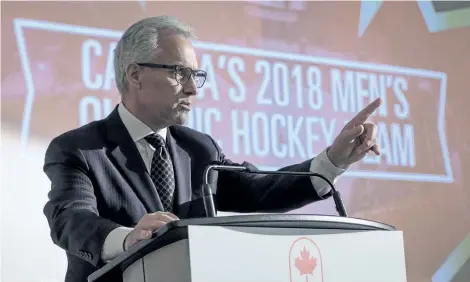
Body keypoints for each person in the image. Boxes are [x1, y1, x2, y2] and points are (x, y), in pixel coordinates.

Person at [43, 15, 381, 282]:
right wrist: (128, 238)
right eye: (179, 72)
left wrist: (334, 160)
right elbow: (70, 219)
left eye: (196, 74)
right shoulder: (79, 149)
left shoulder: (199, 148)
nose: (193, 88)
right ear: (135, 74)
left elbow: (260, 192)